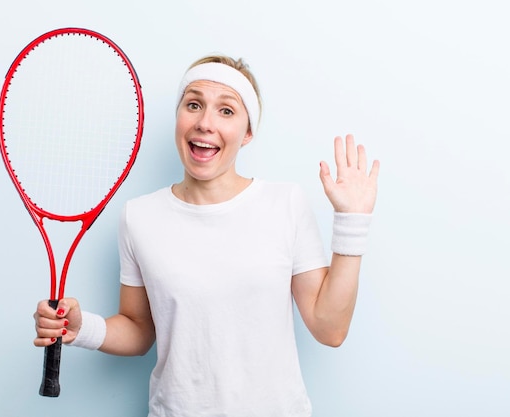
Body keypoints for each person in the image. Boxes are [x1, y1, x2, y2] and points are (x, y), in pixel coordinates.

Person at [33, 54, 380, 416]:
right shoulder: (139, 217)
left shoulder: (285, 204)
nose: (205, 123)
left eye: (226, 111)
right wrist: (81, 326)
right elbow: (139, 329)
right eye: (194, 104)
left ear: (248, 132)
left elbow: (330, 328)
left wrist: (352, 221)